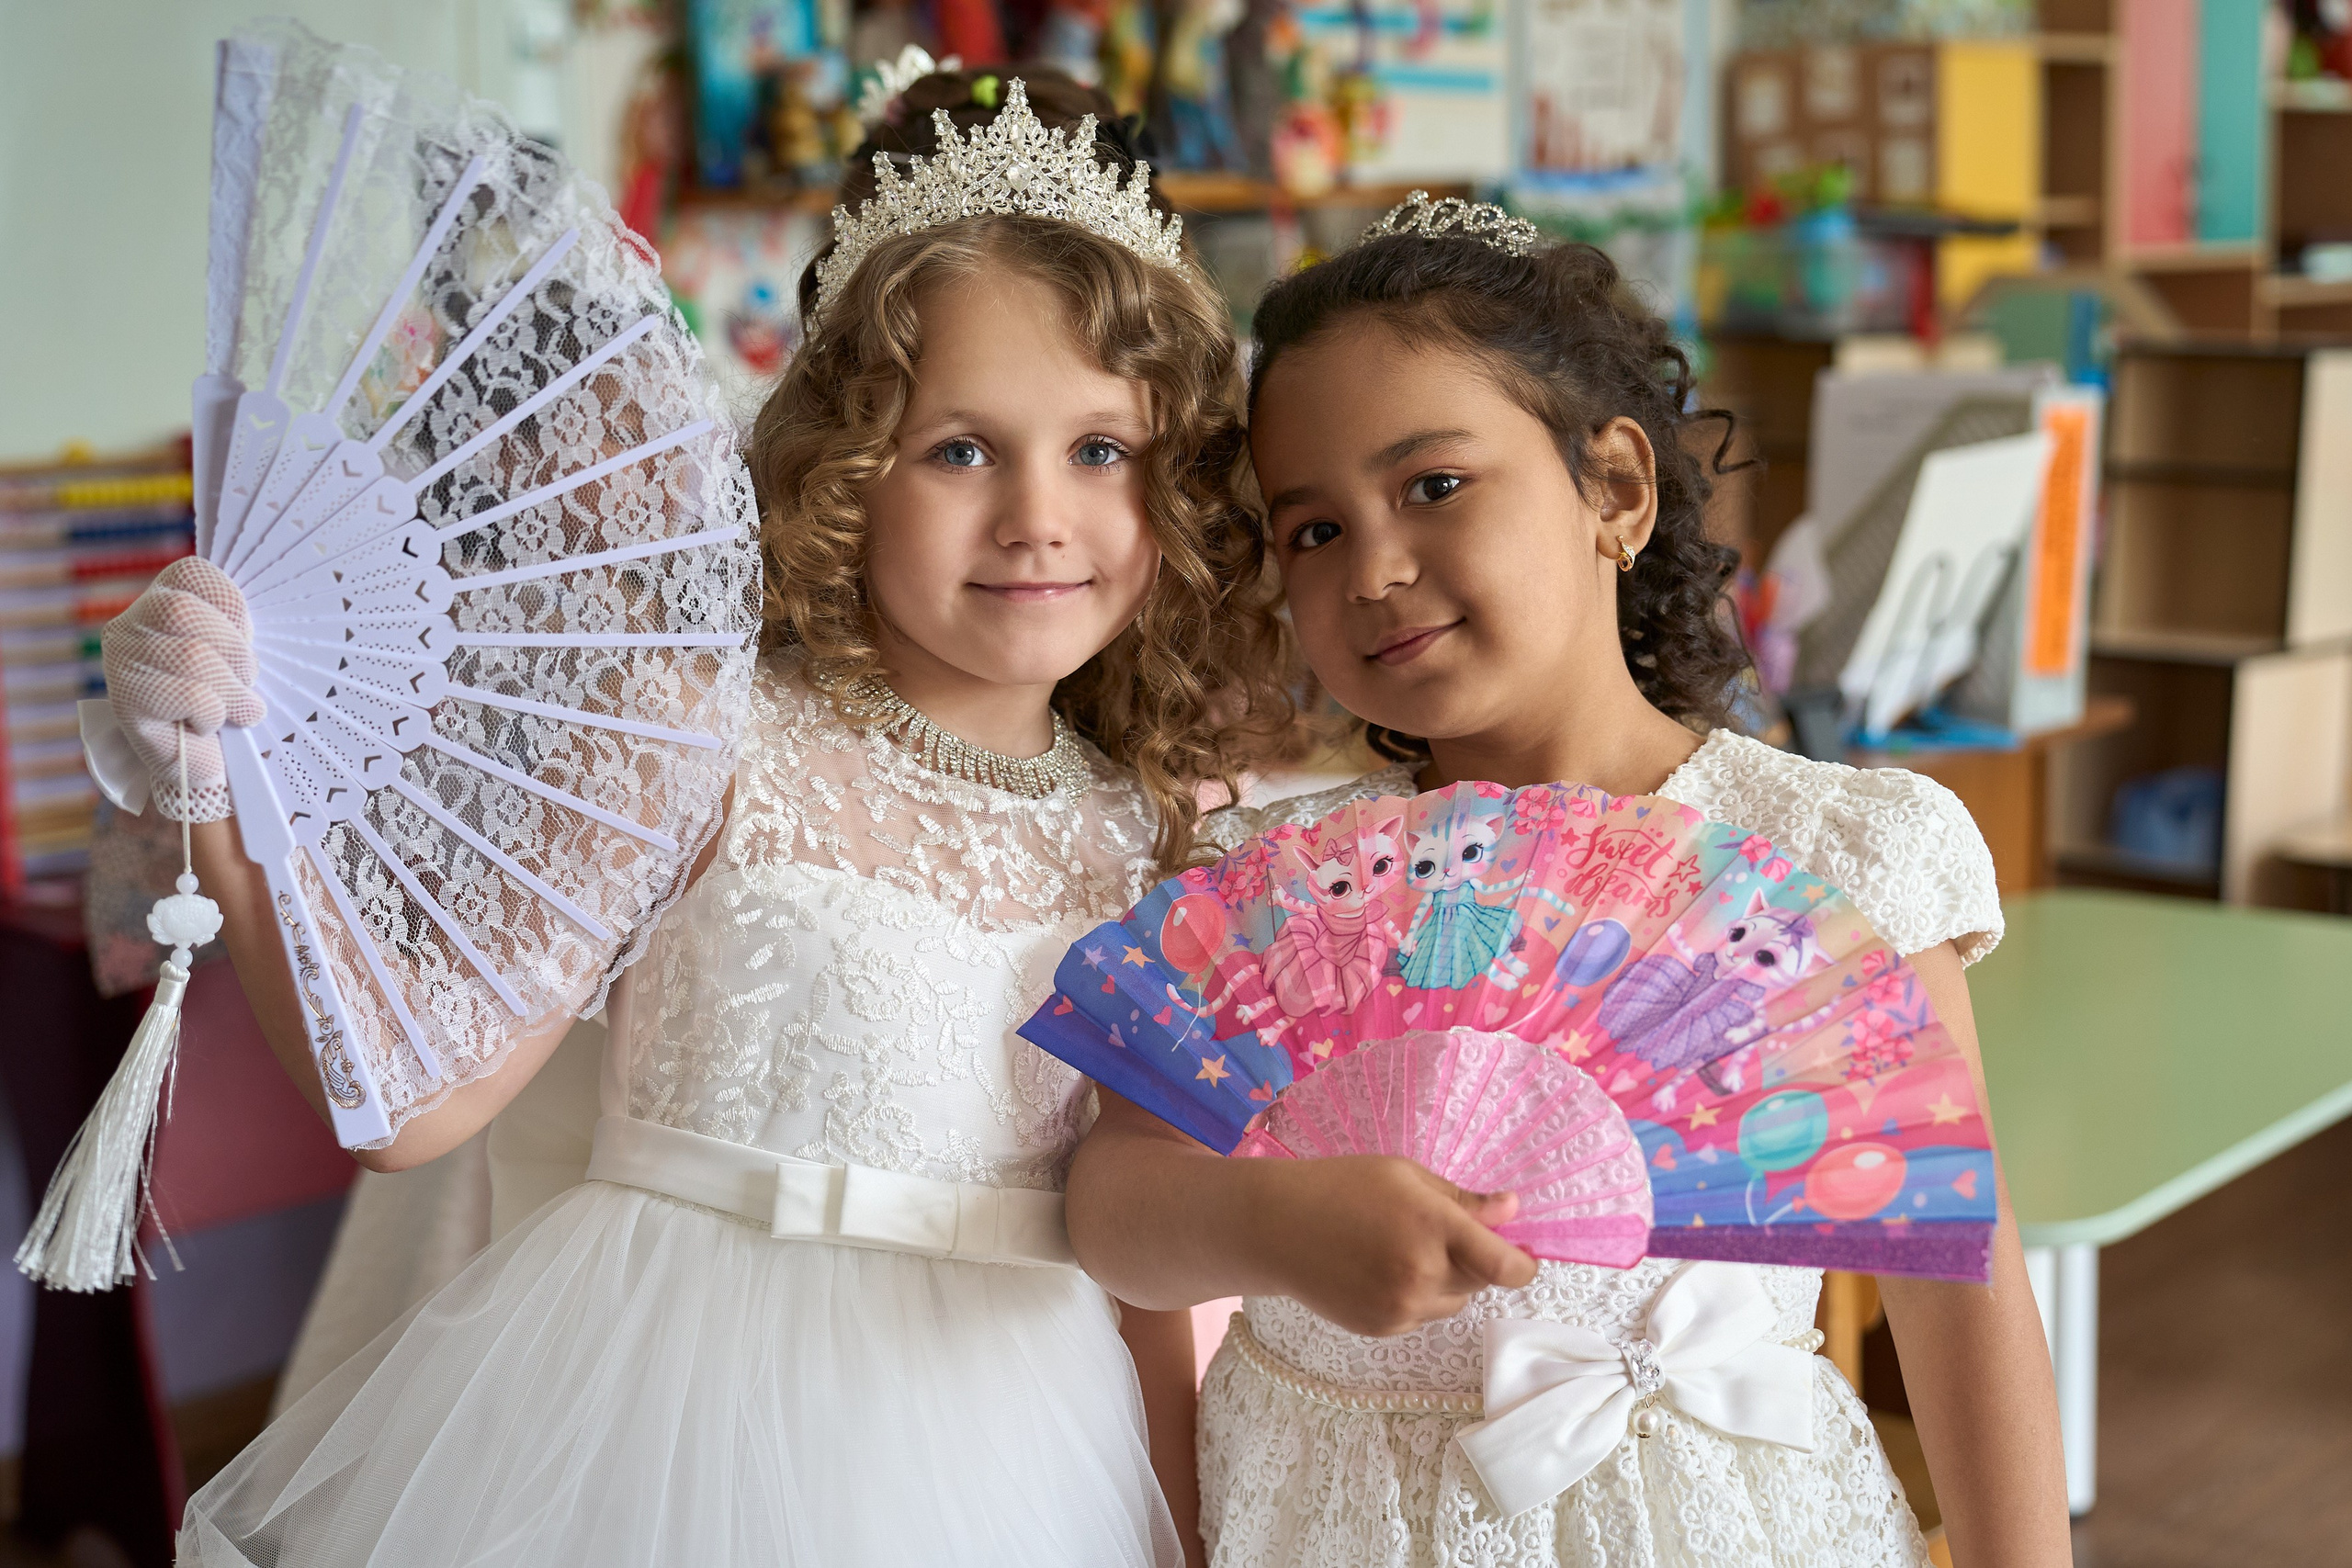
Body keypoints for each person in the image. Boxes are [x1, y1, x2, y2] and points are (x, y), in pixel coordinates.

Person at [105, 65, 1287, 1567]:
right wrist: (217, 774)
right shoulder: (710, 736)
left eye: (1100, 451)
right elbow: (411, 1109)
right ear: (852, 472)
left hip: (1019, 1452)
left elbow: (1146, 1286)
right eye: (962, 449)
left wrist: (1182, 1537)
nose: (1039, 517)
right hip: (659, 1425)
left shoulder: (1151, 834)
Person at [1062, 197, 2072, 1567]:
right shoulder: (1269, 892)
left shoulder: (1838, 860)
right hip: (1328, 1521)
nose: (1379, 567)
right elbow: (1114, 1213)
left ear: (1617, 490)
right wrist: (1266, 1226)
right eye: (1313, 530)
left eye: (1434, 486)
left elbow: (1959, 1292)